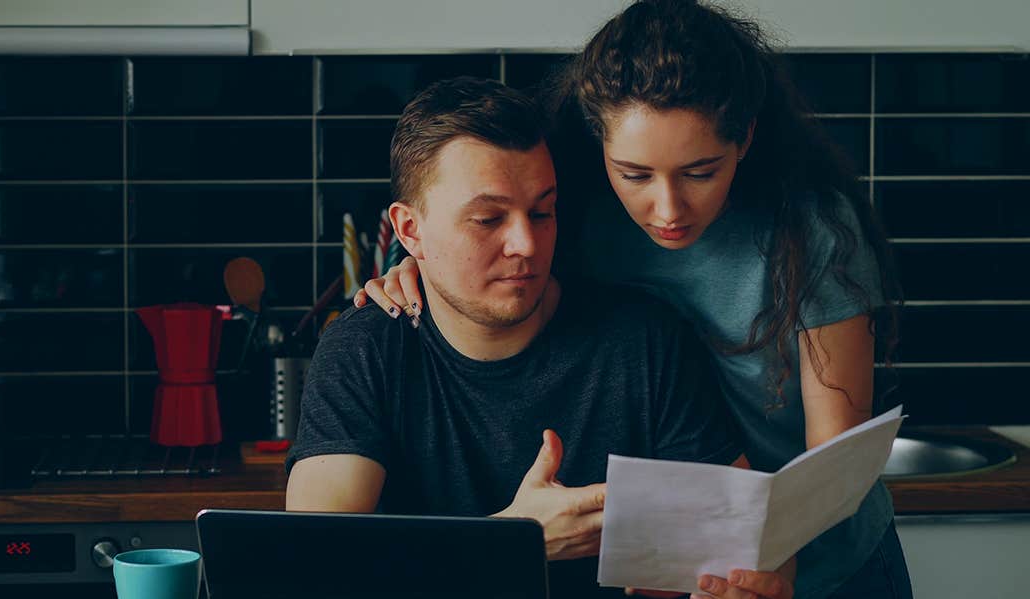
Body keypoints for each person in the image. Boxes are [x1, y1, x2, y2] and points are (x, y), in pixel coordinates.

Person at [352, 2, 911, 598]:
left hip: (827, 560)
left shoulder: (810, 231)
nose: (667, 211)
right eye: (636, 175)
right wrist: (413, 265)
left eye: (700, 172)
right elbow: (475, 218)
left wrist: (770, 564)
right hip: (685, 559)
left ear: (744, 137)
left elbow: (831, 464)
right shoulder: (578, 211)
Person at [286, 76, 794, 599]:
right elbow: (312, 574)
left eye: (542, 211)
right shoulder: (364, 350)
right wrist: (511, 542)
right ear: (410, 231)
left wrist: (746, 583)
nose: (526, 244)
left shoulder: (643, 341)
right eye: (488, 219)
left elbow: (752, 545)